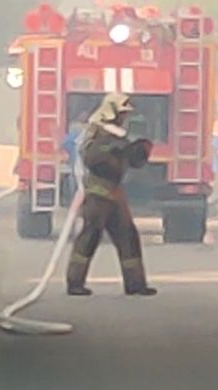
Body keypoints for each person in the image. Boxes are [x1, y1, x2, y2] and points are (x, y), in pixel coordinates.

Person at [65, 92, 156, 297]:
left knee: (128, 237)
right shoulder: (97, 131)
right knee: (89, 237)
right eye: (122, 112)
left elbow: (134, 162)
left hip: (115, 193)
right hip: (97, 193)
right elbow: (91, 158)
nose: (125, 117)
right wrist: (112, 149)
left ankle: (135, 284)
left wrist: (139, 149)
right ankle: (75, 282)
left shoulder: (119, 134)